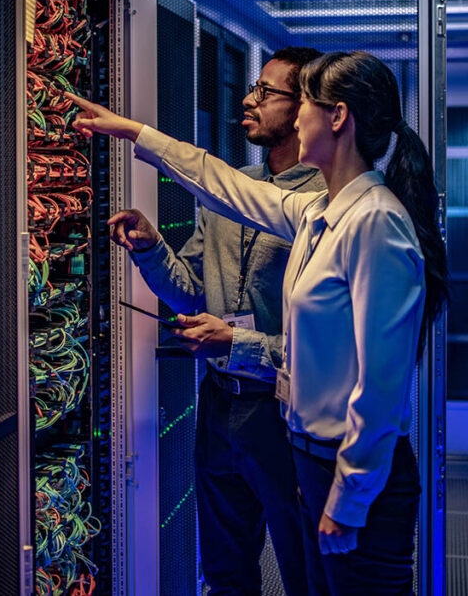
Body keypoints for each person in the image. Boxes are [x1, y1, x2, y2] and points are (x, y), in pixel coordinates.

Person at [67, 50, 449, 595]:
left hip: (351, 474)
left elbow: (383, 386)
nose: (295, 120)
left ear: (337, 117)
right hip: (313, 458)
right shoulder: (321, 214)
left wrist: (348, 499)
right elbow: (220, 183)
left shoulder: (376, 223)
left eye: (305, 105)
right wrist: (132, 133)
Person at [108, 47, 326, 596]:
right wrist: (151, 247)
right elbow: (190, 294)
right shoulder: (226, 194)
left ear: (305, 109)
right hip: (220, 404)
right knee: (225, 574)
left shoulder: (327, 204)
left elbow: (329, 349)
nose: (248, 101)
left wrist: (238, 340)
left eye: (266, 92)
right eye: (252, 88)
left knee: (305, 570)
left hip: (285, 411)